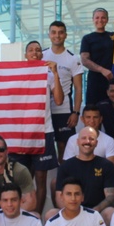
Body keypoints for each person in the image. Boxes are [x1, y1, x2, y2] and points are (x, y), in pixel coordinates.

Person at [17, 40, 63, 214]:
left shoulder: (48, 75)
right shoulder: (18, 72)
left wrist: (56, 73)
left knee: (41, 179)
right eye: (31, 50)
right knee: (22, 178)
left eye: (38, 50)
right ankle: (23, 216)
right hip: (22, 134)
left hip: (44, 131)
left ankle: (36, 216)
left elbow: (58, 100)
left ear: (42, 55)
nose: (35, 53)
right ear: (26, 55)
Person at [52, 127, 114, 226]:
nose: (87, 142)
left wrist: (96, 210)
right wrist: (72, 213)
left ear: (96, 143)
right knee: (50, 214)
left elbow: (111, 196)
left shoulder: (106, 165)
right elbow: (59, 196)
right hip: (72, 211)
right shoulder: (66, 166)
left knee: (111, 213)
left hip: (98, 212)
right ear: (77, 142)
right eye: (84, 138)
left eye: (91, 139)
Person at [43, 21, 84, 158]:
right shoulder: (41, 56)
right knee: (41, 148)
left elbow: (78, 89)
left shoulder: (73, 58)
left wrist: (76, 112)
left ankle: (65, 178)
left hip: (64, 110)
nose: (57, 36)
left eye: (61, 32)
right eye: (54, 32)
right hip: (44, 110)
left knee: (64, 148)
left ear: (65, 35)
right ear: (49, 35)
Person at [80, 7, 114, 107]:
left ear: (107, 20)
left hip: (112, 81)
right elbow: (84, 60)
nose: (100, 20)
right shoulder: (87, 38)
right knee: (93, 112)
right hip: (95, 82)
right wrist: (102, 70)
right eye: (97, 18)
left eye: (103, 18)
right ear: (93, 19)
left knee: (113, 113)